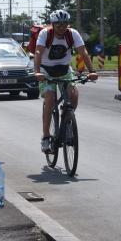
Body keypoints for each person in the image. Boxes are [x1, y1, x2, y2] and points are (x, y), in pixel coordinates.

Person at [34, 10, 98, 153]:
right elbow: (38, 52)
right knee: (50, 98)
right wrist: (37, 71)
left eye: (64, 24)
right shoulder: (45, 34)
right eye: (58, 25)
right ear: (53, 24)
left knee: (73, 94)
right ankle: (45, 137)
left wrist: (92, 71)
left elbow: (83, 52)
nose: (61, 28)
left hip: (64, 70)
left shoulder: (72, 34)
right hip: (46, 70)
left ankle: (67, 121)